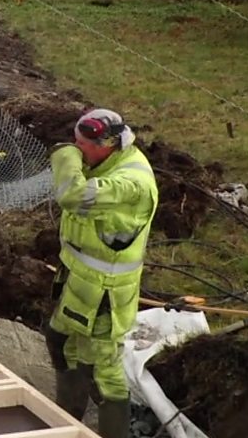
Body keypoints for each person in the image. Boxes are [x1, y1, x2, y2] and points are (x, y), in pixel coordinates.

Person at [45, 109, 158, 438]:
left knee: (103, 373)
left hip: (105, 296)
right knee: (61, 342)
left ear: (107, 144)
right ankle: (66, 418)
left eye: (81, 145)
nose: (76, 150)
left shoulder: (129, 184)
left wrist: (64, 156)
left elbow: (73, 196)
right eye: (74, 144)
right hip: (79, 284)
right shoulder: (103, 161)